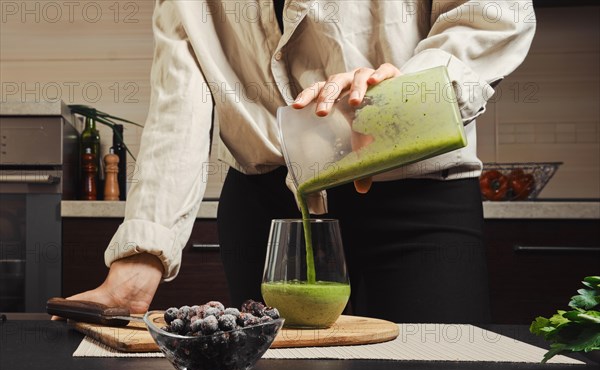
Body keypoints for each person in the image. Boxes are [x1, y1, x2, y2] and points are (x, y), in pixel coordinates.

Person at [59, 1, 536, 323]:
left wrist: (403, 100)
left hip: (416, 201)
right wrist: (143, 255)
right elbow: (179, 102)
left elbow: (493, 14)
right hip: (268, 212)